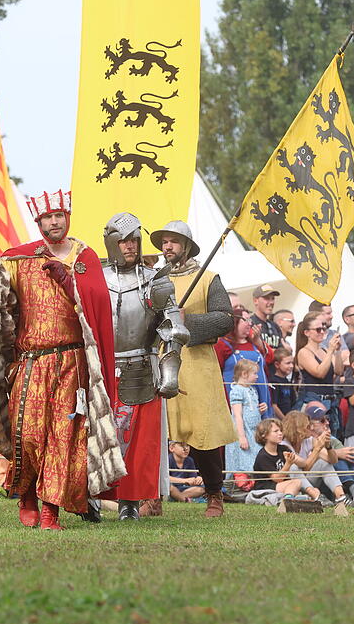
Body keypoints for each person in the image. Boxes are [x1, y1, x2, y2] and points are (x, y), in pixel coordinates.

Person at [0, 191, 125, 530]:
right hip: (30, 363)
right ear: (39, 222)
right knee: (27, 434)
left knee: (63, 437)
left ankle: (50, 512)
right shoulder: (18, 259)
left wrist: (70, 283)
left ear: (67, 217)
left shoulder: (84, 257)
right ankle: (28, 497)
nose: (54, 222)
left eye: (59, 215)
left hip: (72, 363)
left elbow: (99, 309)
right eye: (47, 218)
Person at [102, 212, 187, 520]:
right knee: (98, 438)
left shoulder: (156, 281)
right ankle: (90, 498)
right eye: (123, 240)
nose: (130, 246)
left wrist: (169, 372)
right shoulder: (95, 278)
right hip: (102, 368)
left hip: (142, 367)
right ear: (112, 243)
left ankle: (130, 504)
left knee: (140, 446)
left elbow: (174, 328)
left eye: (134, 240)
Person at [150, 220, 237, 518]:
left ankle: (214, 494)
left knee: (203, 433)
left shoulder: (208, 278)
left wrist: (187, 321)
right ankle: (153, 496)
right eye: (164, 242)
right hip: (161, 360)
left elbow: (225, 319)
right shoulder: (154, 279)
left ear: (186, 246)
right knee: (158, 434)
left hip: (197, 363)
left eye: (173, 241)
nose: (168, 247)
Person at [295, 311, 344, 437]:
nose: (322, 332)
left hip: (330, 401)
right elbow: (319, 372)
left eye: (323, 328)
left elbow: (338, 371)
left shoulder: (324, 350)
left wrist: (337, 351)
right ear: (307, 333)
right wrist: (330, 352)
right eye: (318, 329)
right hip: (314, 400)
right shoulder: (304, 352)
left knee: (333, 437)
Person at [216, 313, 274, 409]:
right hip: (236, 399)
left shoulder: (254, 342)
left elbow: (270, 358)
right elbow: (216, 370)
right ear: (235, 322)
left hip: (261, 396)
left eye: (250, 321)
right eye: (245, 320)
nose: (249, 324)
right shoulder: (222, 344)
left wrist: (258, 341)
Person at [226, 359, 265, 475]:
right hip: (244, 432)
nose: (257, 377)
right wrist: (241, 437)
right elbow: (237, 415)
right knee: (244, 461)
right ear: (244, 374)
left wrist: (260, 410)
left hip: (253, 433)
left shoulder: (252, 390)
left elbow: (251, 410)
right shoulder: (237, 390)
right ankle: (240, 483)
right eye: (254, 373)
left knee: (255, 459)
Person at [251, 418, 303, 496]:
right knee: (296, 482)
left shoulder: (283, 449)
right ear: (264, 435)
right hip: (266, 487)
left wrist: (295, 459)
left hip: (282, 485)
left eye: (280, 430)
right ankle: (288, 500)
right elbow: (277, 479)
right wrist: (288, 464)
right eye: (276, 431)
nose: (280, 433)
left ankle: (289, 497)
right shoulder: (263, 456)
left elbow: (304, 464)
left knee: (296, 482)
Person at [250, 284, 283, 349]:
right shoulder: (250, 323)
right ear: (255, 301)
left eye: (272, 298)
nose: (271, 302)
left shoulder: (275, 326)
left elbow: (281, 350)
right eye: (267, 298)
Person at [269, 346, 297, 418]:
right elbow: (274, 405)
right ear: (277, 365)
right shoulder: (274, 381)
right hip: (280, 419)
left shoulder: (287, 381)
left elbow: (293, 401)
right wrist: (284, 420)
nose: (291, 366)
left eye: (292, 363)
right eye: (288, 363)